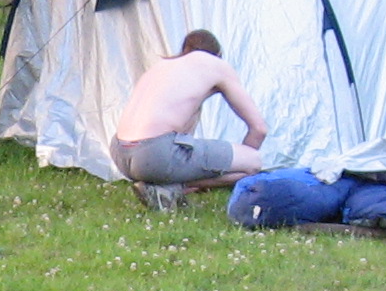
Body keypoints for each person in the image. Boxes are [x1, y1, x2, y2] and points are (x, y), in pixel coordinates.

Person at [109, 30, 268, 211]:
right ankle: (171, 189)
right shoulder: (217, 65)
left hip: (120, 153)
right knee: (253, 162)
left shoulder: (162, 66)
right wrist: (241, 166)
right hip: (154, 153)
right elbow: (259, 129)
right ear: (217, 54)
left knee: (180, 144)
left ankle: (159, 184)